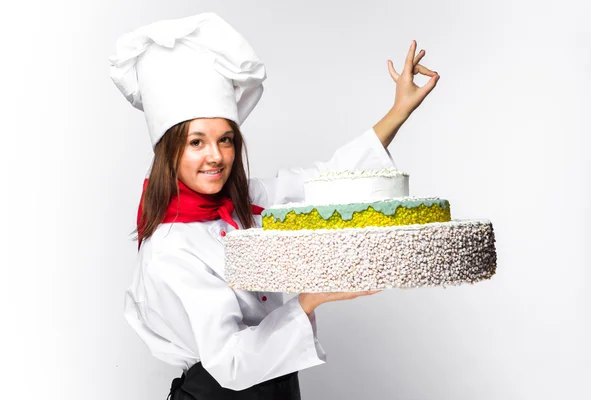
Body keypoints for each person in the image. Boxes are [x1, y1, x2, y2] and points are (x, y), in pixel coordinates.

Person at [109, 12, 439, 400]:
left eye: (226, 139)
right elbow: (230, 362)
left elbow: (323, 184)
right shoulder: (169, 248)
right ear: (169, 151)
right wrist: (312, 297)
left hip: (276, 386)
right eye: (196, 142)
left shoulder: (245, 202)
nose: (215, 156)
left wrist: (399, 111)